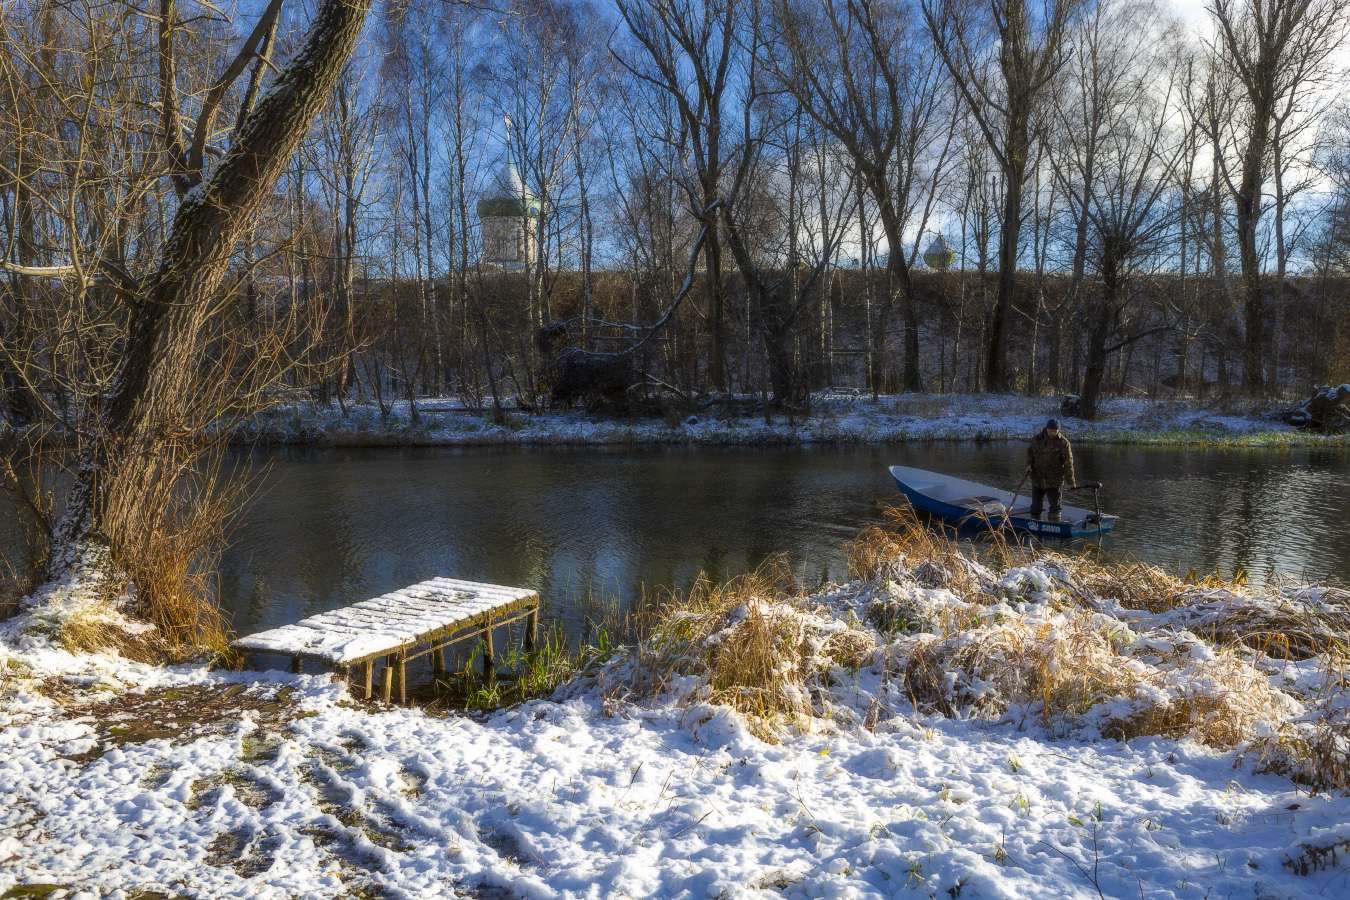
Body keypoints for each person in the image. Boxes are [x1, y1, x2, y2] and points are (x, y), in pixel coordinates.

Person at [1025, 418, 1076, 521]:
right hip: (1037, 478)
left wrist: (1071, 482)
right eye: (1050, 430)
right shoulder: (1037, 439)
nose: (1052, 433)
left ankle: (1055, 526)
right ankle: (1036, 524)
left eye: (1055, 431)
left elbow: (1068, 464)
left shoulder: (1064, 443)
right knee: (1035, 506)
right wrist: (1029, 464)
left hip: (1054, 480)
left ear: (1059, 430)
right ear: (1046, 429)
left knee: (1055, 507)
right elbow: (1029, 454)